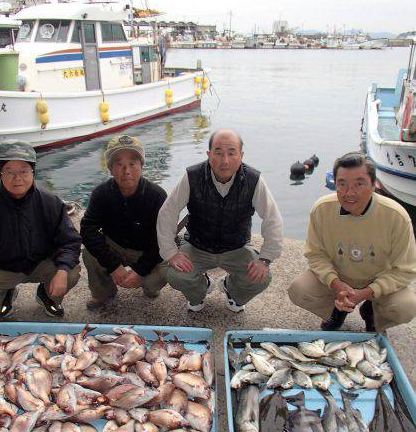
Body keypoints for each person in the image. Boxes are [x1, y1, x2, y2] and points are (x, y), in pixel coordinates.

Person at [156, 128, 283, 312]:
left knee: (261, 277)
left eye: (232, 153)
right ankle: (200, 289)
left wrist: (265, 259)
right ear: (209, 155)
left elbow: (273, 219)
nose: (225, 160)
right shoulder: (192, 176)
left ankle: (232, 290)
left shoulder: (254, 180)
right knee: (176, 274)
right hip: (198, 246)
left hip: (237, 248)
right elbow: (168, 212)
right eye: (218, 153)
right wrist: (171, 252)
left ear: (241, 155)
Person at [288, 152, 416, 332]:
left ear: (373, 185)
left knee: (406, 307)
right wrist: (336, 284)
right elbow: (316, 255)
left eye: (359, 184)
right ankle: (337, 310)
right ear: (335, 184)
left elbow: (405, 270)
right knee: (299, 290)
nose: (349, 193)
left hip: (379, 278)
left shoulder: (396, 216)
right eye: (342, 184)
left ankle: (371, 311)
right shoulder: (322, 209)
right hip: (340, 276)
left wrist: (368, 292)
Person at [0, 141, 81, 319]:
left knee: (71, 273)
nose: (17, 177)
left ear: (33, 173)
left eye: (24, 171)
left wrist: (63, 270)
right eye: (9, 171)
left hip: (41, 263)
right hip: (2, 268)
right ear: (0, 174)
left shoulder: (49, 202)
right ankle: (5, 296)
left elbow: (70, 241)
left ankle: (47, 296)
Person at [81, 134, 167, 309]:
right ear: (110, 169)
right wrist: (114, 266)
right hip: (115, 246)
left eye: (132, 164)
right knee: (89, 253)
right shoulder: (101, 193)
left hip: (146, 250)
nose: (126, 170)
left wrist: (140, 270)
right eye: (119, 164)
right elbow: (87, 229)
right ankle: (102, 293)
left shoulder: (157, 195)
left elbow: (164, 239)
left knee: (158, 276)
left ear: (141, 166)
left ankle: (150, 287)